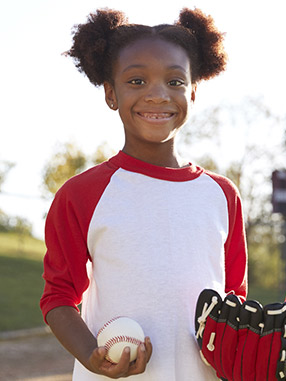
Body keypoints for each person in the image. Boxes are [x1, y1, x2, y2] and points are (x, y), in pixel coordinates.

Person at [40, 6, 247, 381]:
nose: (157, 95)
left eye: (175, 82)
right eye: (136, 81)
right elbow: (57, 298)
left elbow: (234, 298)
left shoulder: (222, 195)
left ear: (193, 91)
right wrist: (91, 355)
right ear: (110, 94)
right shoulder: (82, 194)